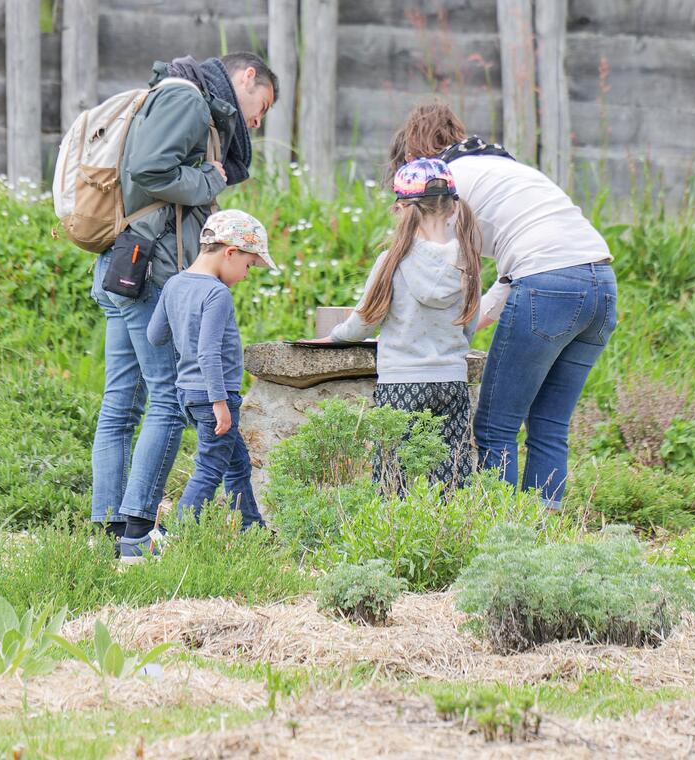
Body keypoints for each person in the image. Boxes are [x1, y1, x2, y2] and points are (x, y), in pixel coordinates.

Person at [90, 52, 279, 548]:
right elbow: (151, 170)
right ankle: (135, 533)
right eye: (262, 106)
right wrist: (210, 180)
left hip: (123, 261)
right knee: (167, 399)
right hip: (149, 266)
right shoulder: (185, 97)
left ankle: (107, 529)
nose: (257, 121)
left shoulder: (177, 96)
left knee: (120, 403)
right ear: (247, 77)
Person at [391, 104, 618, 508]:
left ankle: (500, 534)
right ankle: (542, 540)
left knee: (496, 427)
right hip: (601, 285)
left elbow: (436, 269)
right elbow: (513, 274)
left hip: (547, 285)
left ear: (414, 156)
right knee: (549, 425)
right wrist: (476, 319)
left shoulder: (446, 182)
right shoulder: (505, 167)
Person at [317, 158, 482, 488]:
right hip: (451, 380)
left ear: (403, 209)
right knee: (452, 471)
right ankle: (453, 533)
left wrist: (335, 336)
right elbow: (469, 326)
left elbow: (364, 321)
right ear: (452, 209)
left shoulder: (392, 260)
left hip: (401, 384)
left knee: (392, 472)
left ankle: (393, 535)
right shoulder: (467, 262)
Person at [139, 209, 275, 559]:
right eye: (248, 265)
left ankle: (252, 532)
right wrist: (219, 403)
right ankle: (165, 541)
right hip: (216, 396)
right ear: (230, 252)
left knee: (236, 463)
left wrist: (182, 321)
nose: (245, 275)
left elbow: (155, 336)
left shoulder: (174, 284)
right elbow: (209, 353)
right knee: (210, 468)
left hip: (188, 393)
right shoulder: (216, 294)